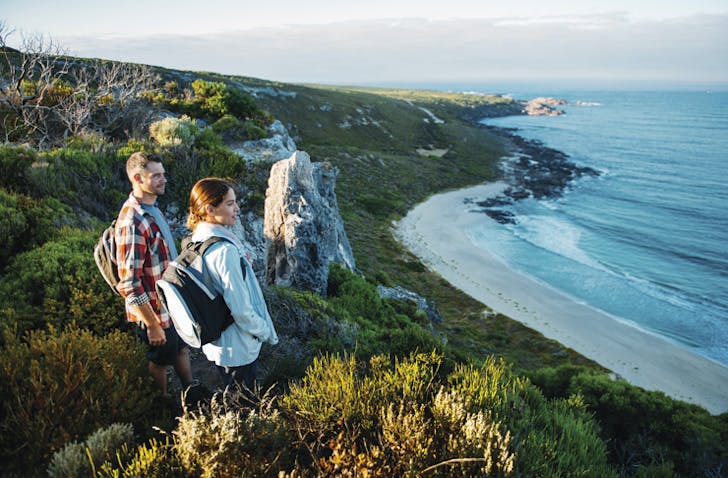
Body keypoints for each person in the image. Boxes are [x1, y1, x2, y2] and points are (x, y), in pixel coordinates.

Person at [186, 177, 278, 394]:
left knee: (234, 394)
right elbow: (241, 310)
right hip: (238, 346)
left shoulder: (196, 240)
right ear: (209, 209)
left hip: (220, 342)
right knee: (243, 404)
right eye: (229, 204)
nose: (237, 209)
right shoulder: (224, 252)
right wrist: (264, 331)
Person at [115, 151, 193, 396]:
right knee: (160, 360)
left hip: (172, 303)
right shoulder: (133, 222)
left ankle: (190, 390)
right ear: (137, 179)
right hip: (156, 311)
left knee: (181, 348)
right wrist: (152, 325)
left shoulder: (153, 209)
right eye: (156, 176)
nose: (164, 180)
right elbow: (129, 283)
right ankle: (162, 404)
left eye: (164, 174)